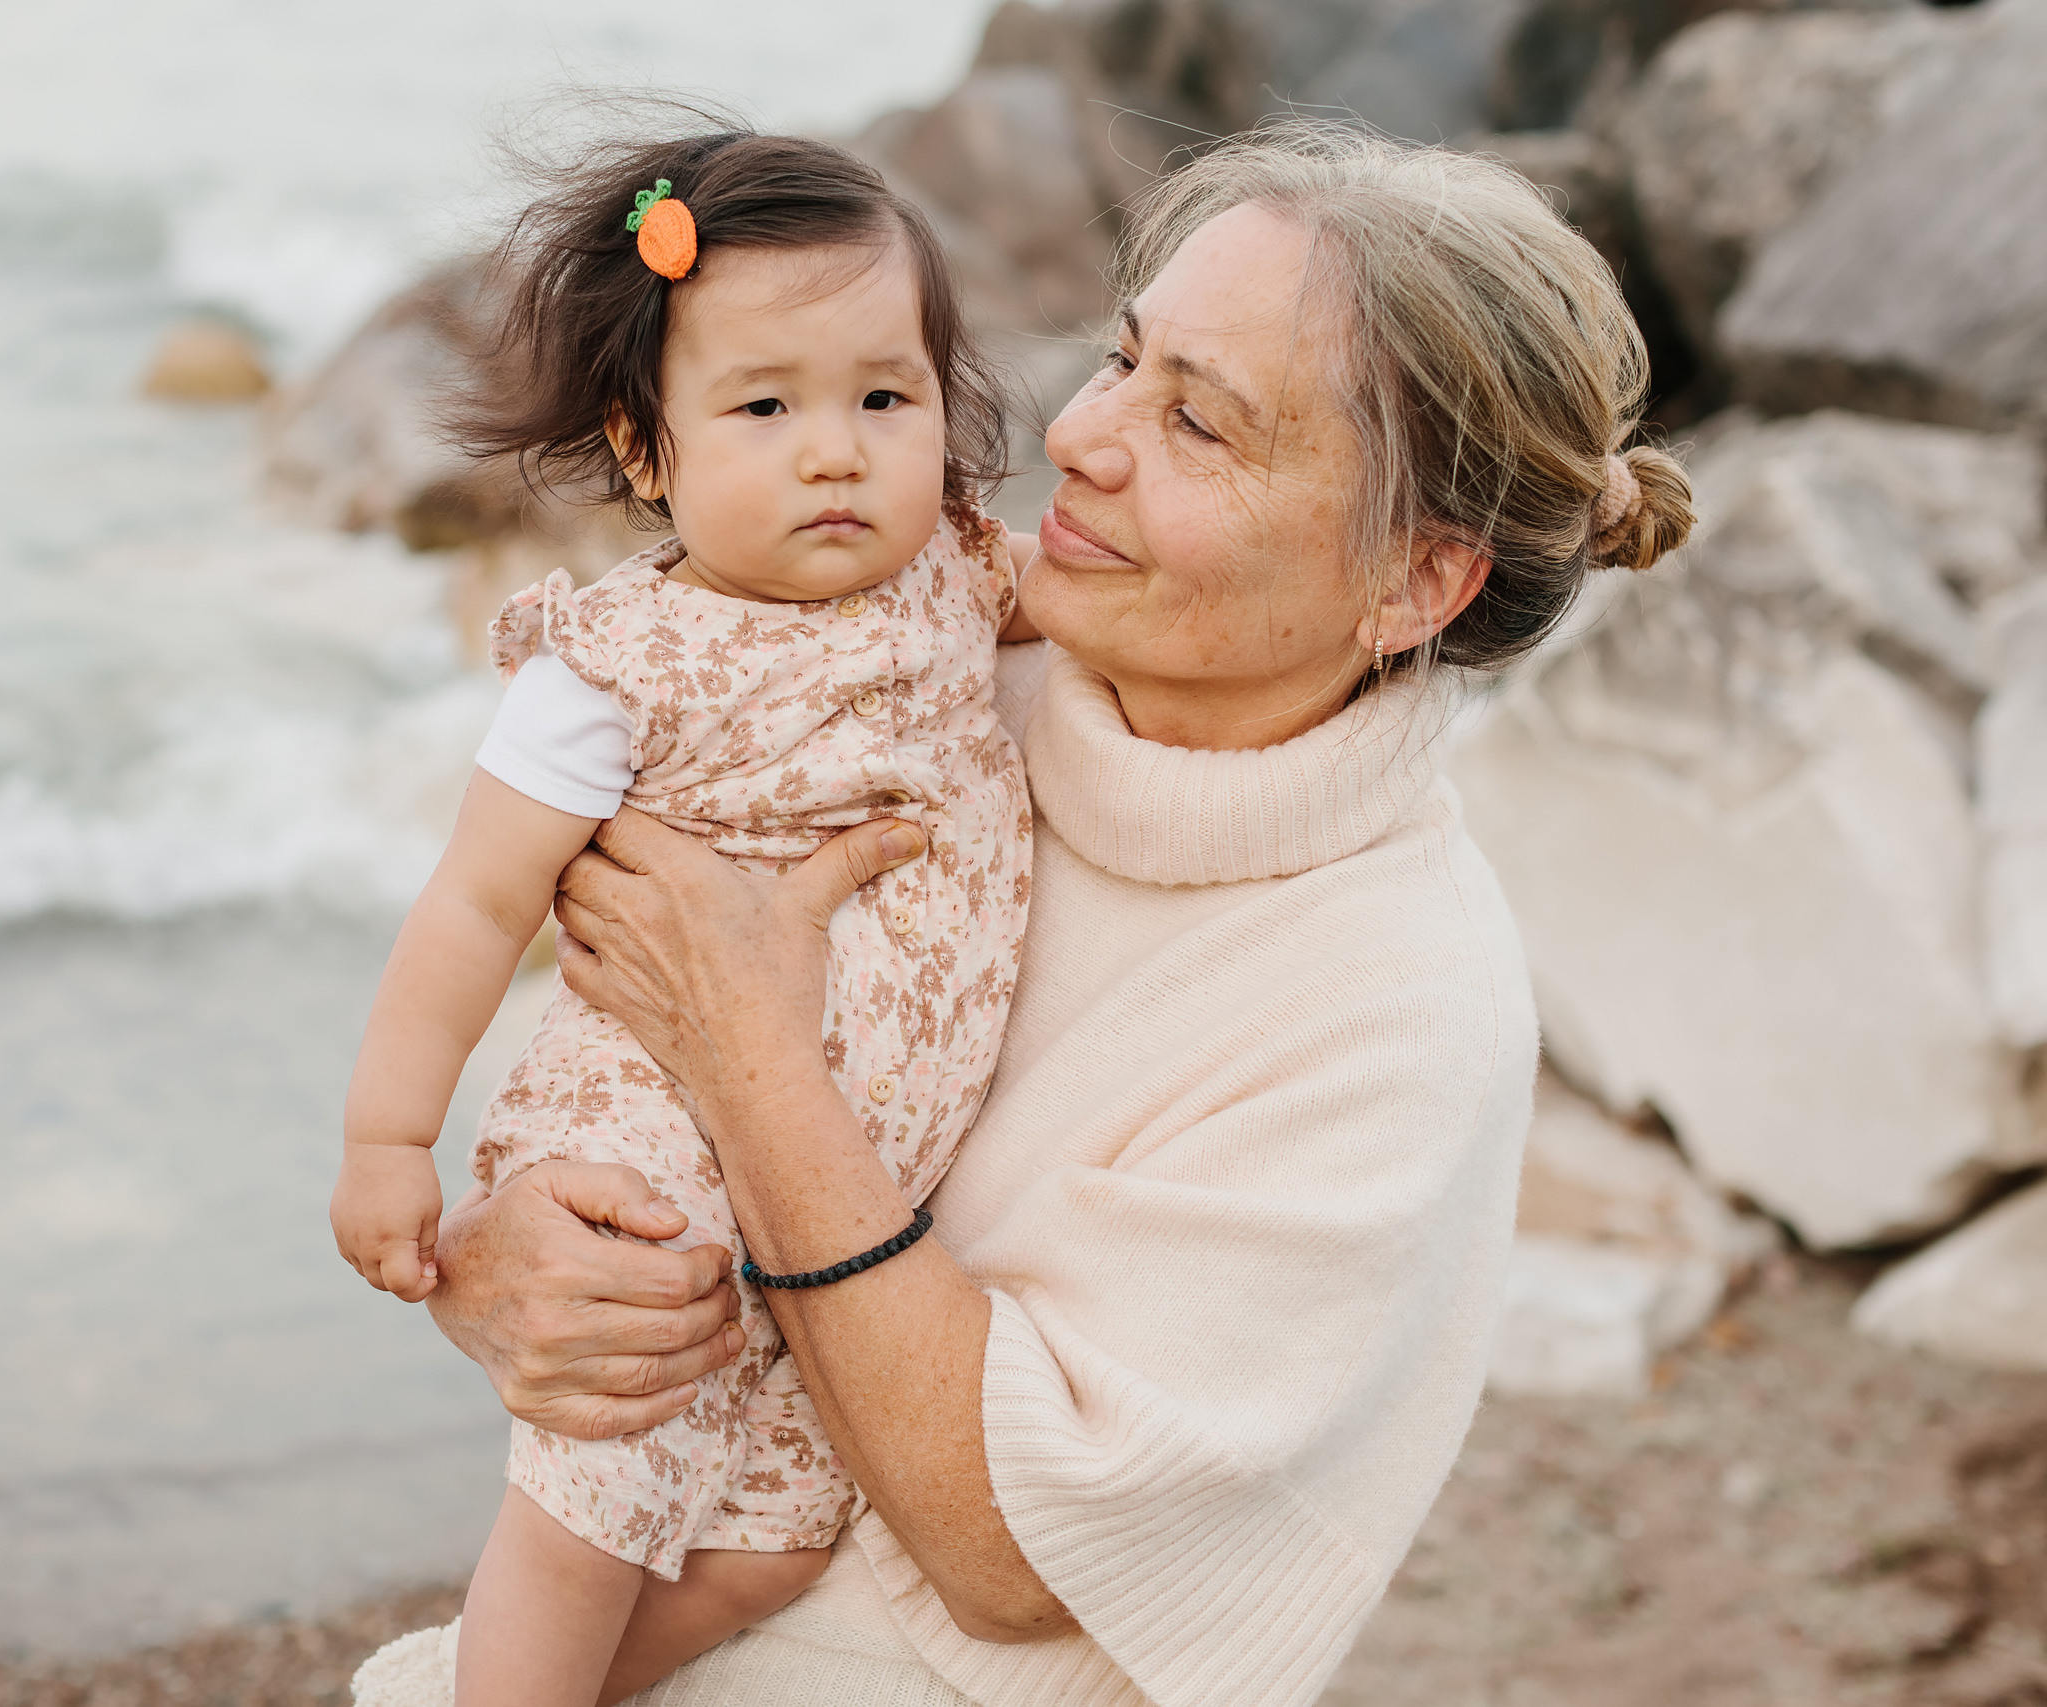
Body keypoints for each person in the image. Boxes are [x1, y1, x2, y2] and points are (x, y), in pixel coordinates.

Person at [351, 119, 1698, 1707]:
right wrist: (507, 1277)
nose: (1085, 430)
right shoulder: (917, 674)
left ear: (1415, 584)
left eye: (1200, 424)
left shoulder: (1395, 1008)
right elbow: (575, 1002)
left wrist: (752, 1058)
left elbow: (1016, 1552)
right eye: (1127, 359)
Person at [327, 125, 1040, 1707]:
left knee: (773, 1545)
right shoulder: (616, 666)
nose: (836, 451)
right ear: (645, 452)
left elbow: (1138, 609)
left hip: (846, 1200)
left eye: (884, 396)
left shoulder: (967, 579)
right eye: (765, 406)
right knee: (601, 1497)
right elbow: (469, 908)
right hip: (653, 1150)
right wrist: (391, 1140)